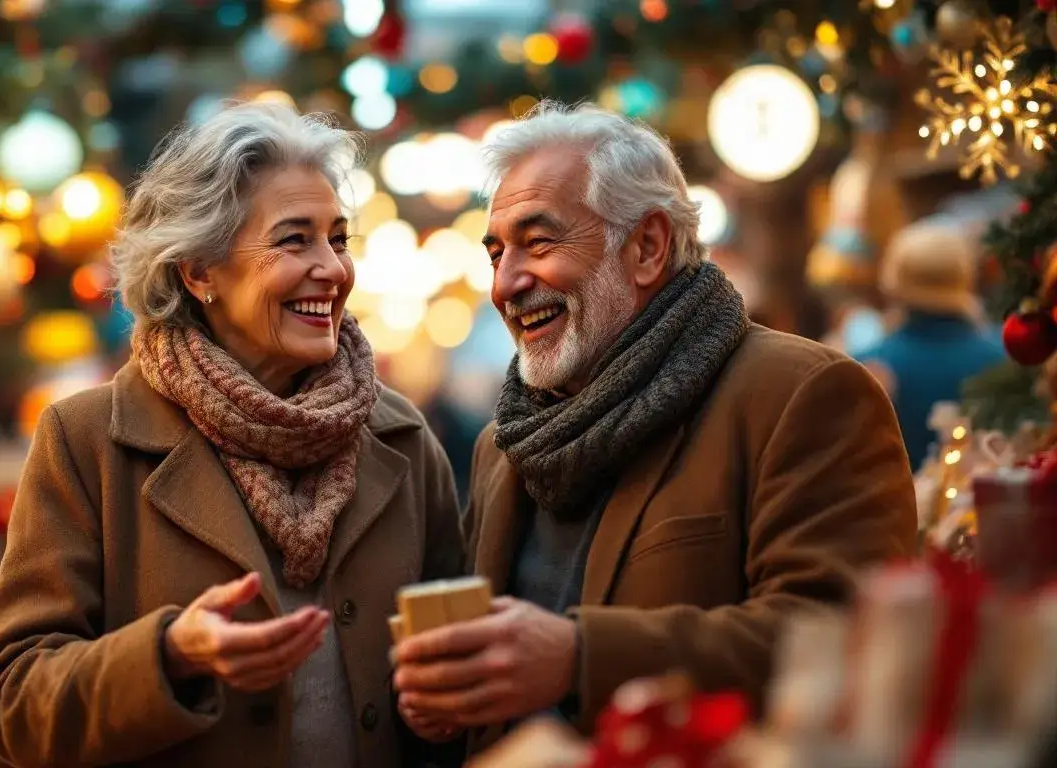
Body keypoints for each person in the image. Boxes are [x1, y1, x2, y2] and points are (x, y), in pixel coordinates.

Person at [390, 102, 917, 750]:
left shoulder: (801, 393)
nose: (505, 283)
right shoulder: (503, 445)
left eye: (539, 241)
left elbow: (850, 638)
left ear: (647, 247)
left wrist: (581, 658)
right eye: (496, 252)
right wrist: (450, 706)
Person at [0, 102, 465, 767]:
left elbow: (459, 666)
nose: (333, 269)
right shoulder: (87, 440)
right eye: (295, 240)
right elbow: (10, 699)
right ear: (200, 271)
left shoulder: (401, 439)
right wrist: (171, 655)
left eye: (338, 239)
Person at [856, 223, 1006, 472]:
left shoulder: (868, 367)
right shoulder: (1008, 357)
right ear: (966, 276)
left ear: (892, 281)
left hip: (903, 508)